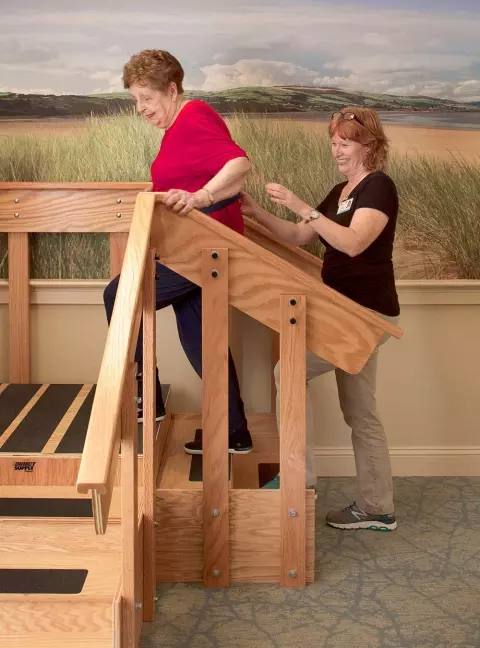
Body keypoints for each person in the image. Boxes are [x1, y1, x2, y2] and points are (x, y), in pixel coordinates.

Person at [240, 106, 400, 531]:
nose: (336, 150)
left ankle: (300, 478)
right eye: (333, 142)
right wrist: (258, 213)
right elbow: (298, 235)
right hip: (346, 311)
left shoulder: (378, 188)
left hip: (364, 313)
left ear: (369, 144)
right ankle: (376, 507)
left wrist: (301, 205)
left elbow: (352, 243)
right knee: (361, 411)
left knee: (287, 371)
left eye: (344, 142)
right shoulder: (340, 191)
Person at [103, 49, 253, 455]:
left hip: (204, 250)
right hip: (195, 251)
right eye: (135, 100)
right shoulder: (178, 127)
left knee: (118, 294)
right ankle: (235, 433)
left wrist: (202, 195)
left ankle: (142, 394)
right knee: (202, 342)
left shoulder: (195, 116)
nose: (141, 109)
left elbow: (239, 166)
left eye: (146, 98)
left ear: (171, 89)